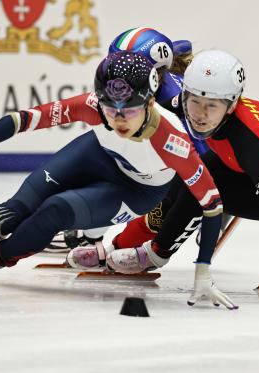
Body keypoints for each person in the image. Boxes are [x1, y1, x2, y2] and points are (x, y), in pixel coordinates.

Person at [0, 51, 238, 310]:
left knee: (57, 209)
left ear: (150, 103)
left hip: (136, 188)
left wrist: (202, 271)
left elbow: (212, 205)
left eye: (127, 111)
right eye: (108, 108)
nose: (116, 119)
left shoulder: (171, 142)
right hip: (96, 154)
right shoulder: (92, 107)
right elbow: (29, 117)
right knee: (13, 211)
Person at [68, 49, 259, 305]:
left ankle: (156, 255)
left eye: (211, 106)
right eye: (194, 101)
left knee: (196, 189)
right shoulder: (187, 103)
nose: (199, 114)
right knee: (179, 181)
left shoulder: (250, 146)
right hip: (233, 163)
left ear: (231, 105)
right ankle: (116, 246)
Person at [44, 27, 208, 254]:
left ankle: (101, 241)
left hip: (191, 160)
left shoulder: (173, 102)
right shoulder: (157, 69)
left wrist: (211, 200)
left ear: (155, 73)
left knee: (144, 200)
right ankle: (89, 233)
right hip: (166, 152)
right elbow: (179, 45)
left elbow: (205, 155)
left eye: (131, 64)